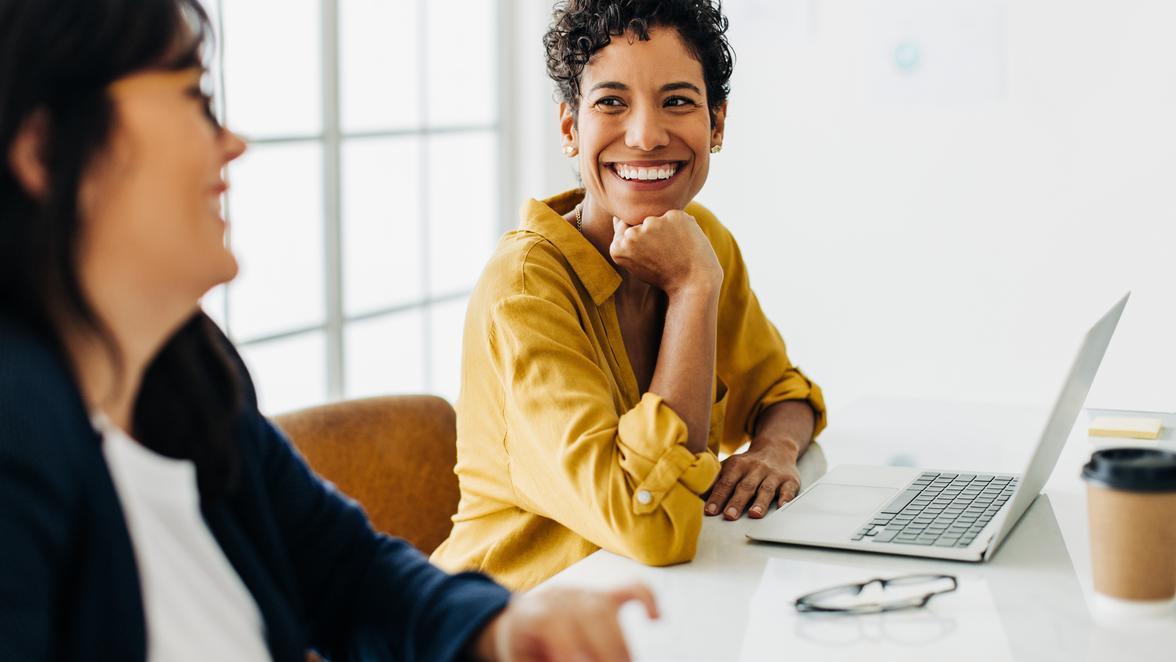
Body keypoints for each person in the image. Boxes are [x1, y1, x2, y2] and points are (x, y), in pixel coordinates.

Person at [0, 0, 656, 659]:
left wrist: (498, 629)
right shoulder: (18, 437)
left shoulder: (190, 375)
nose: (232, 142)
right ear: (49, 149)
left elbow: (348, 573)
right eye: (193, 97)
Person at [431, 0, 827, 590]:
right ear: (571, 127)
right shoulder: (524, 291)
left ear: (717, 124)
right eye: (611, 102)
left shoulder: (703, 239)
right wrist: (692, 291)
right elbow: (652, 524)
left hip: (660, 606)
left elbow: (783, 393)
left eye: (678, 101)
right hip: (518, 622)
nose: (645, 135)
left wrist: (773, 449)